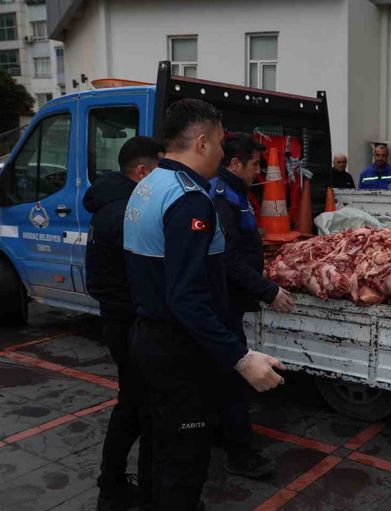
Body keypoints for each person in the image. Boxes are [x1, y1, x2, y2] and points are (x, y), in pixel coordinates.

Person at [123, 99, 286, 510]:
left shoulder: (148, 184)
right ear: (201, 143)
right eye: (218, 142)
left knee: (158, 446)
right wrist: (240, 357)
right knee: (184, 459)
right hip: (179, 349)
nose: (221, 152)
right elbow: (187, 297)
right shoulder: (190, 200)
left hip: (148, 336)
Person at [208, 132, 294, 478]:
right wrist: (268, 290)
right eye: (255, 164)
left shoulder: (237, 193)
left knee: (221, 374)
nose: (260, 171)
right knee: (235, 378)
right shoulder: (222, 197)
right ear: (235, 164)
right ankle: (241, 455)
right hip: (223, 301)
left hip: (231, 298)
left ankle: (219, 433)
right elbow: (226, 257)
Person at [85, 136, 163, 511]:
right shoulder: (127, 212)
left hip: (119, 319)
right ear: (142, 172)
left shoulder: (111, 203)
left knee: (132, 405)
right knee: (139, 408)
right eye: (159, 172)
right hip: (131, 322)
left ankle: (113, 484)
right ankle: (128, 489)